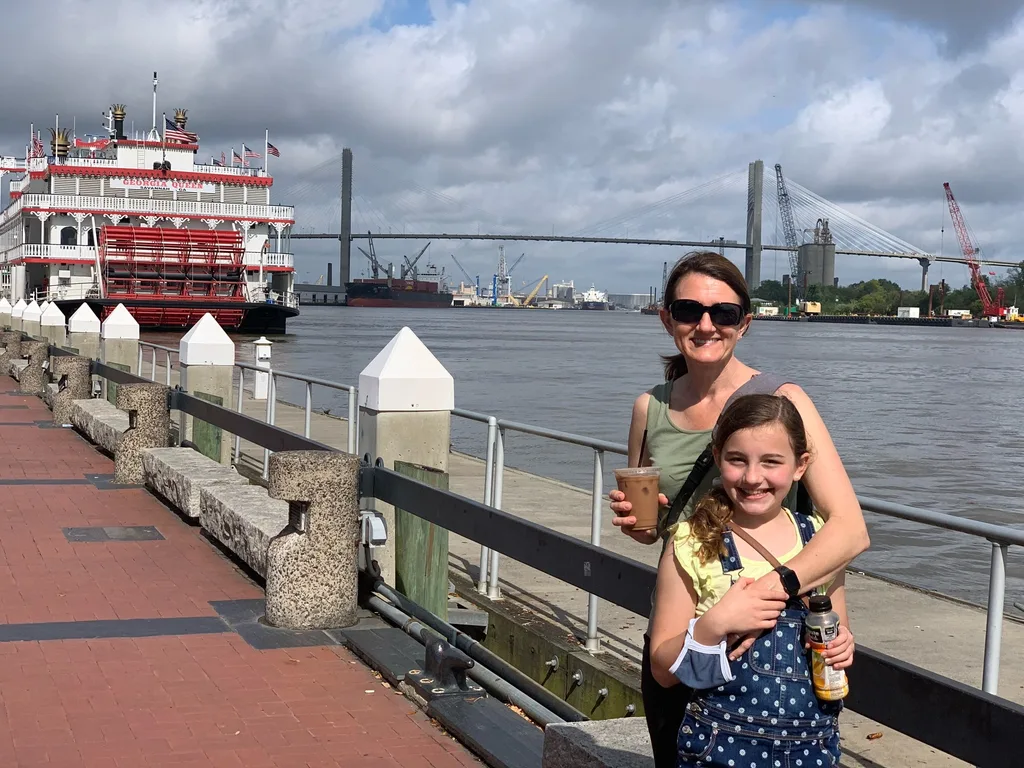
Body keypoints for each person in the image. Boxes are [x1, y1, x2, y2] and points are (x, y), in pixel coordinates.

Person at [608, 251, 868, 768]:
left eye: (723, 313)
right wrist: (639, 523)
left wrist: (778, 598)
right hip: (686, 626)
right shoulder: (650, 407)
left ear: (744, 323)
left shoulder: (783, 400)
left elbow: (848, 529)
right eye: (688, 311)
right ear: (667, 319)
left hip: (776, 636)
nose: (706, 325)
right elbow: (660, 528)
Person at [648, 393, 855, 767]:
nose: (752, 477)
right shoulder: (691, 541)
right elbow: (662, 668)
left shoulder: (821, 541)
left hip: (812, 751)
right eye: (737, 460)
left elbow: (837, 630)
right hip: (717, 751)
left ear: (800, 465)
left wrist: (842, 646)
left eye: (772, 462)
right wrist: (713, 626)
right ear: (717, 456)